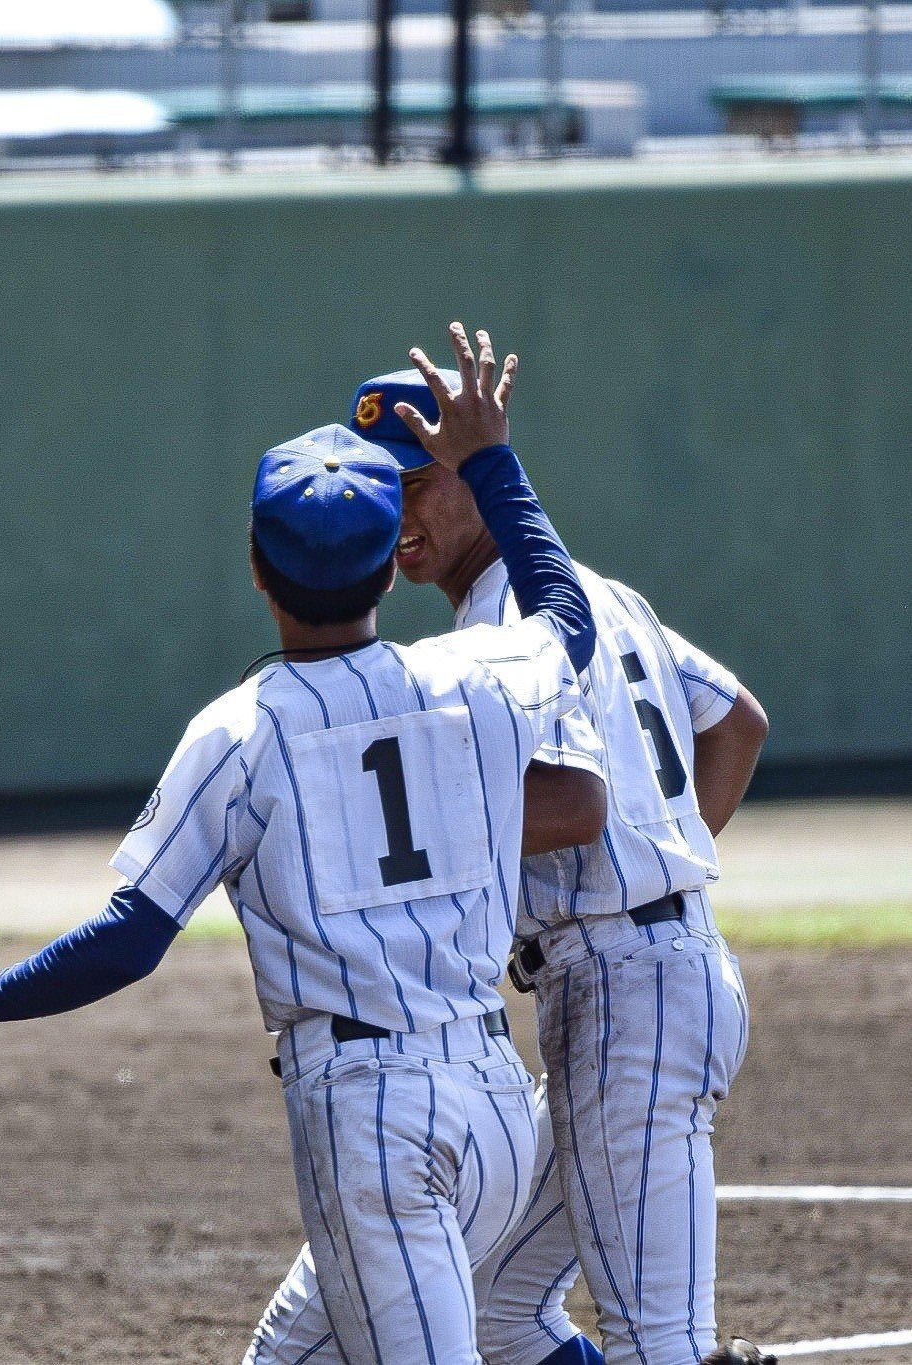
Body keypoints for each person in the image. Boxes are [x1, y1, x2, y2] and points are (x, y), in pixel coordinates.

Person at [0, 326, 608, 1364]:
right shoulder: (473, 677)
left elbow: (129, 941)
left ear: (255, 564)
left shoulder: (240, 731)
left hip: (372, 1121)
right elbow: (567, 620)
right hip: (496, 1106)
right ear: (383, 561)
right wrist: (491, 459)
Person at [246, 360, 769, 1365]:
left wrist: (638, 883)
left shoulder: (502, 619)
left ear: (477, 476)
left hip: (631, 991)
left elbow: (572, 807)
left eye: (420, 480)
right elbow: (734, 722)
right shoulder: (597, 593)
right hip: (639, 977)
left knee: (656, 1339)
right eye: (381, 487)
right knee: (496, 1304)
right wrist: (665, 864)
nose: (399, 511)